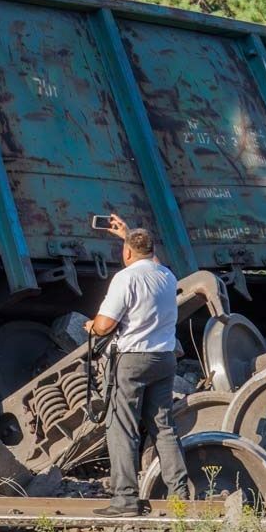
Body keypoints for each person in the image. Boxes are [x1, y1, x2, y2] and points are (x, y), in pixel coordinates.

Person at [84, 214, 189, 516]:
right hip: (164, 359)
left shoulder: (126, 278)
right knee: (163, 427)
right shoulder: (167, 276)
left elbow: (105, 325)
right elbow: (148, 258)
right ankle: (179, 497)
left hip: (132, 360)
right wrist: (128, 235)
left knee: (122, 428)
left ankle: (125, 499)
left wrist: (91, 326)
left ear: (127, 253)